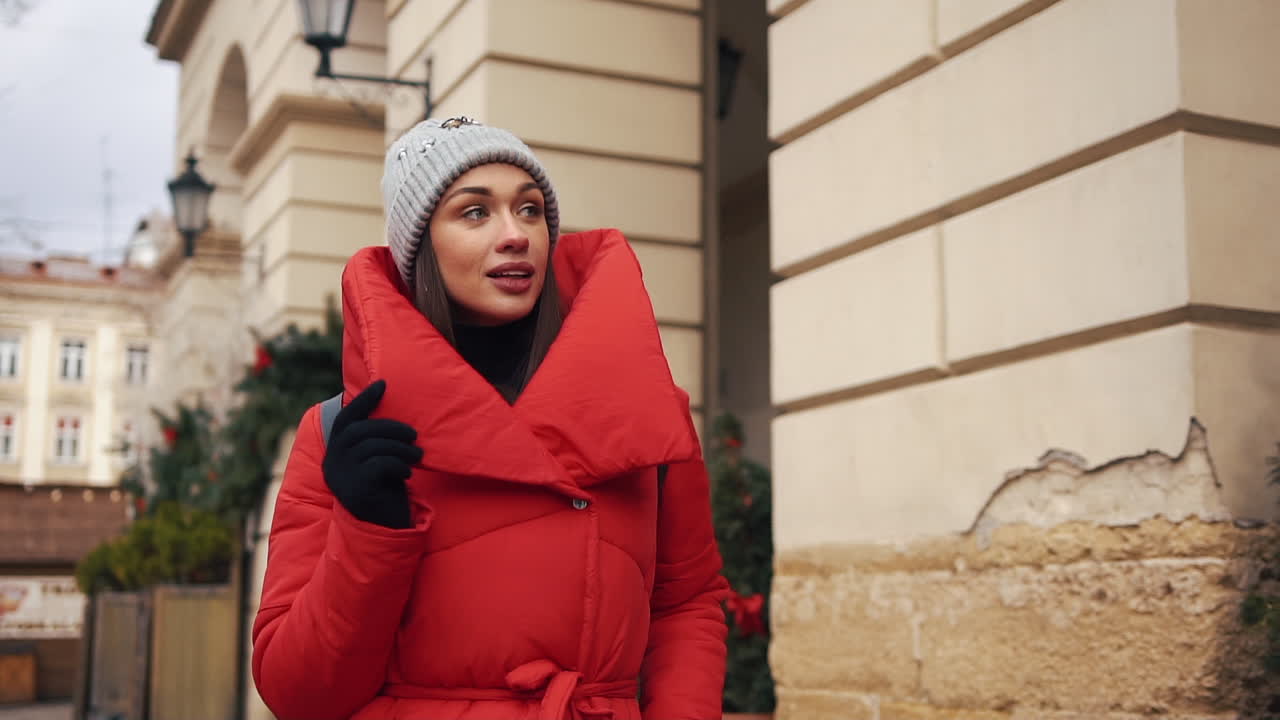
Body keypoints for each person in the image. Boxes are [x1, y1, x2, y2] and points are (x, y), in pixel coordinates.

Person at [251, 116, 730, 720]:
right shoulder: (342, 433)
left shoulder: (641, 409)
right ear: (420, 247)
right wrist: (367, 530)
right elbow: (298, 695)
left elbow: (686, 604)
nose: (515, 234)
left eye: (530, 210)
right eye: (474, 212)